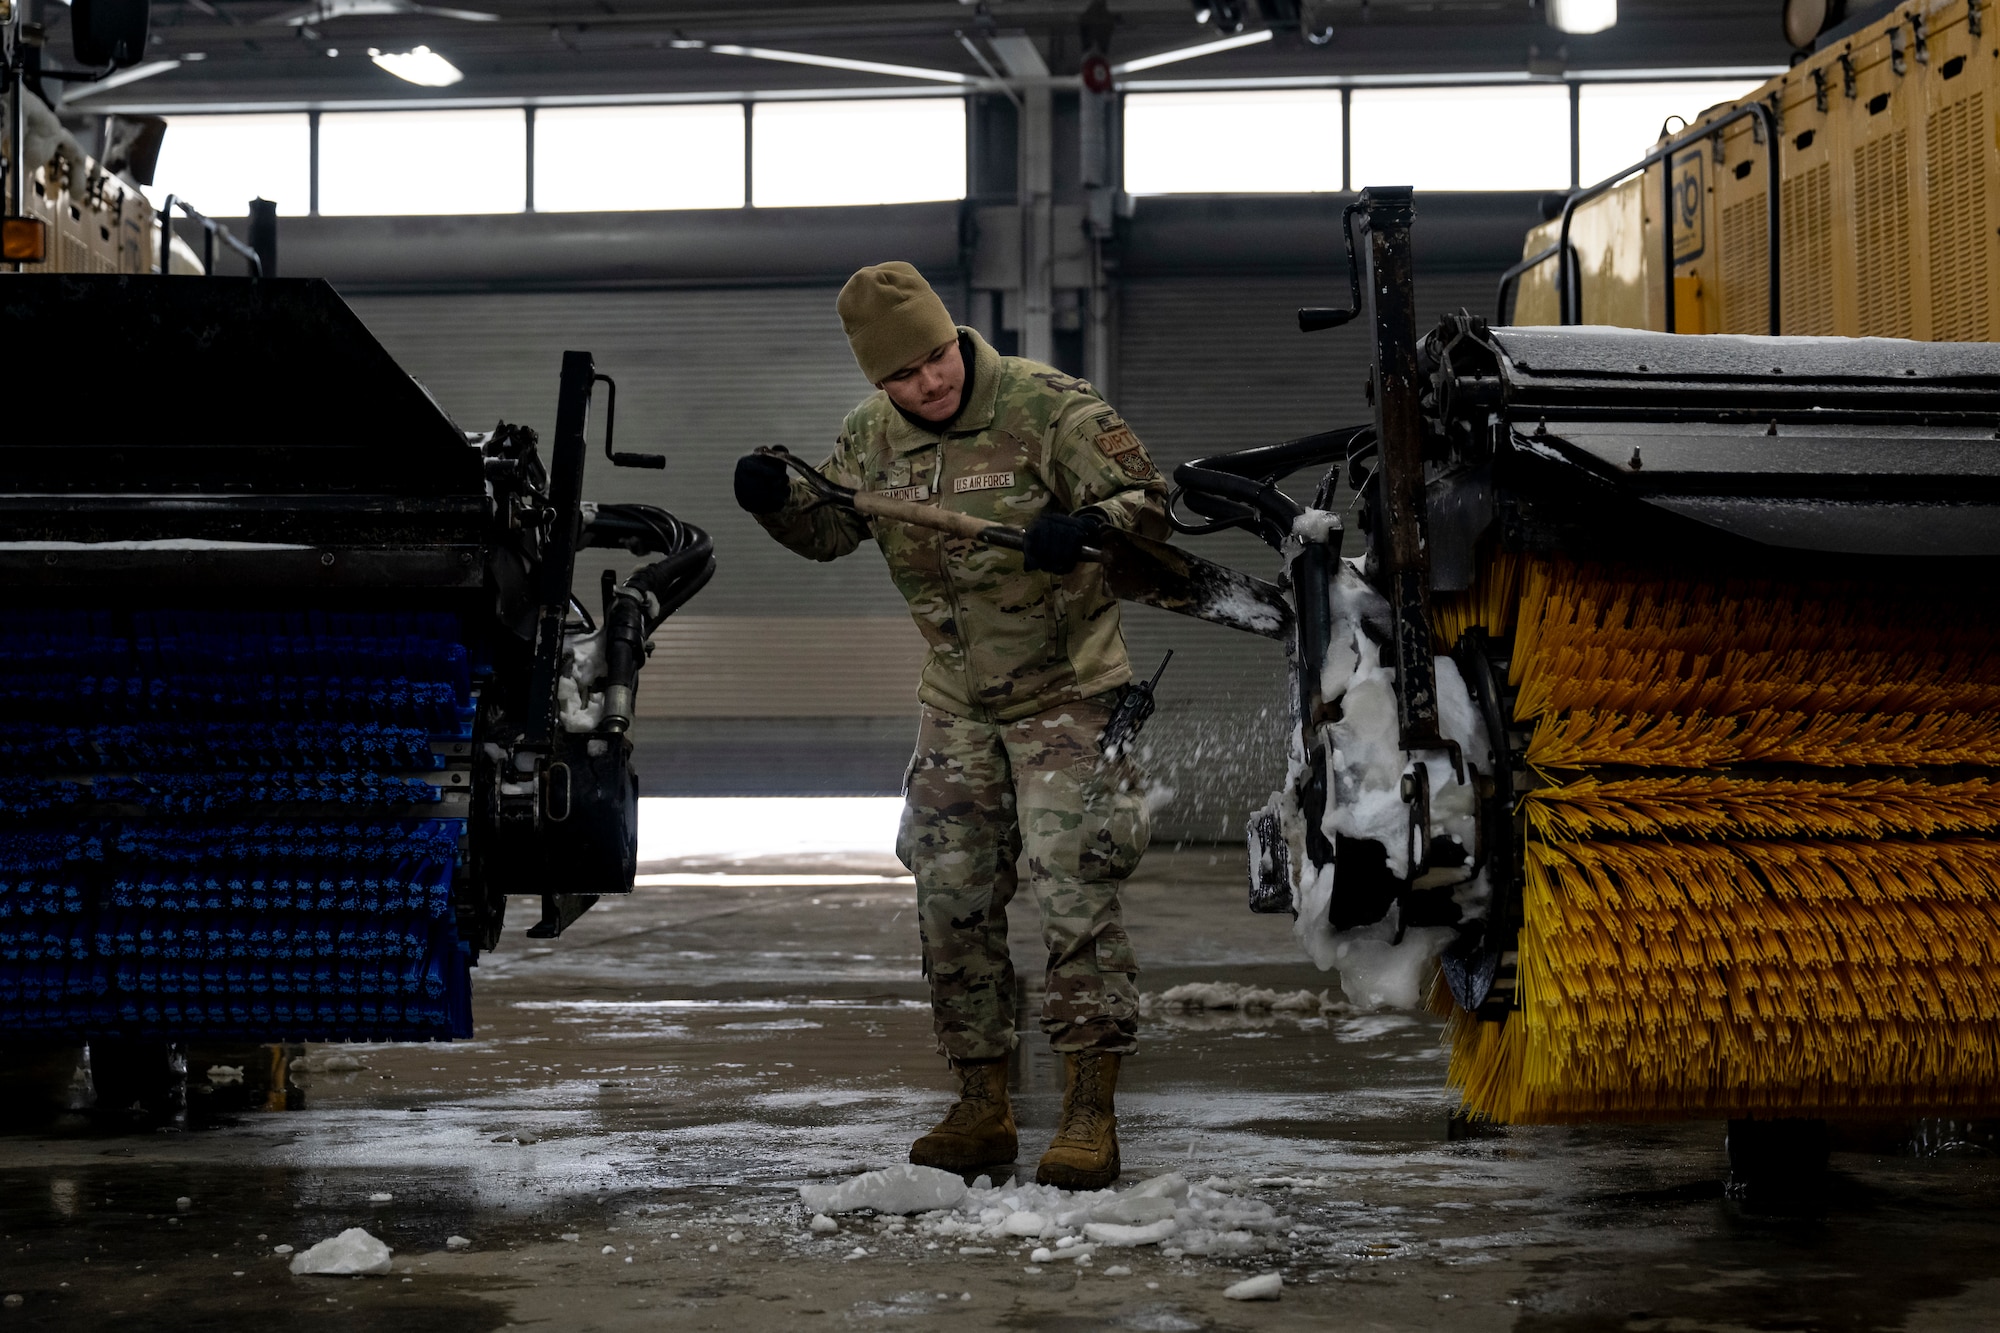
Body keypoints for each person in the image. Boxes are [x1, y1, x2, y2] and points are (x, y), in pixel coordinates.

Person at [733, 262, 1169, 1189]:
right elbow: (831, 530)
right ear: (875, 381)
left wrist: (1085, 527)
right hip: (958, 701)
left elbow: (1153, 507)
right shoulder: (867, 437)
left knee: (1073, 891)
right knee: (950, 894)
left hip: (1070, 690)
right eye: (903, 375)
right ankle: (983, 1101)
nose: (929, 382)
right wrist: (775, 502)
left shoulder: (1049, 407)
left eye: (935, 358)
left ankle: (1090, 1108)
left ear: (952, 335)